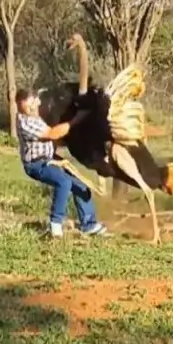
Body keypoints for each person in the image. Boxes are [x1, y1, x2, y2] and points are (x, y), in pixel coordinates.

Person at [15, 88, 108, 238]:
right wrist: (75, 121)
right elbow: (52, 134)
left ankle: (88, 224)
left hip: (50, 158)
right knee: (63, 182)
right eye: (25, 105)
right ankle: (55, 225)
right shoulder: (25, 122)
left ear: (37, 101)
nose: (30, 108)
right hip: (36, 164)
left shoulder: (38, 117)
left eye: (31, 103)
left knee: (80, 185)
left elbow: (57, 136)